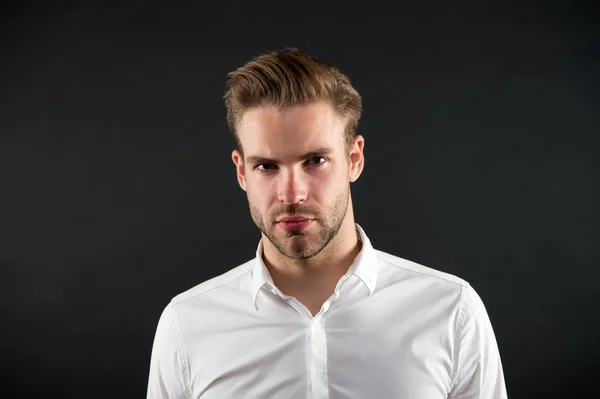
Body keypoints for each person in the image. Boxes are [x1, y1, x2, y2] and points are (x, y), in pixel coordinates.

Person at [146, 47, 508, 399]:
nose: (292, 193)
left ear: (354, 159)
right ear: (242, 172)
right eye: (267, 166)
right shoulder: (187, 325)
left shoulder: (452, 312)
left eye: (315, 160)